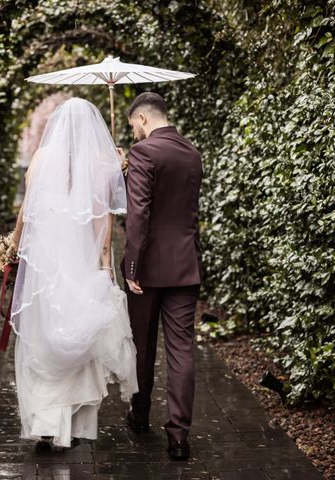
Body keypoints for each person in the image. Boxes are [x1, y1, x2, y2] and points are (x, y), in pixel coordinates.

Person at [8, 97, 138, 450]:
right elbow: (104, 222)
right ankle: (67, 428)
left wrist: (14, 243)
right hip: (81, 263)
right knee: (78, 341)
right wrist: (104, 267)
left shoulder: (40, 158)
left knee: (43, 340)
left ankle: (44, 423)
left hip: (45, 264)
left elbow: (26, 210)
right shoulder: (100, 164)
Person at [117, 92, 203, 461]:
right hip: (186, 265)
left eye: (134, 126)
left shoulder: (143, 153)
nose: (134, 133)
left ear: (143, 119)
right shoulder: (192, 152)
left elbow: (139, 214)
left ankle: (139, 416)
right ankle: (179, 436)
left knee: (143, 344)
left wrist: (132, 266)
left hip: (148, 269)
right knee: (182, 350)